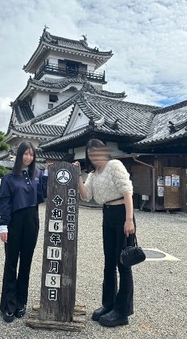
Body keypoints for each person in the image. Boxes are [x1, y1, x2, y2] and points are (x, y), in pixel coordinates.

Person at [73, 138, 135, 328]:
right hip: (107, 214)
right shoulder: (93, 174)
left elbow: (127, 191)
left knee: (123, 263)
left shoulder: (115, 165)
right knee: (109, 263)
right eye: (90, 154)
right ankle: (108, 304)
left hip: (122, 213)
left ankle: (122, 311)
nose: (94, 156)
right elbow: (86, 195)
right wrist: (77, 175)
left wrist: (129, 219)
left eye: (97, 152)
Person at [0, 141, 48, 323]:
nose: (28, 157)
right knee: (11, 262)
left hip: (32, 220)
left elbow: (42, 195)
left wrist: (48, 175)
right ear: (19, 156)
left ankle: (20, 302)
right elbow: (4, 201)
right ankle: (7, 305)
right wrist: (3, 225)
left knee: (26, 262)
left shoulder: (37, 175)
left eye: (31, 154)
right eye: (25, 154)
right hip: (14, 221)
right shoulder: (9, 178)